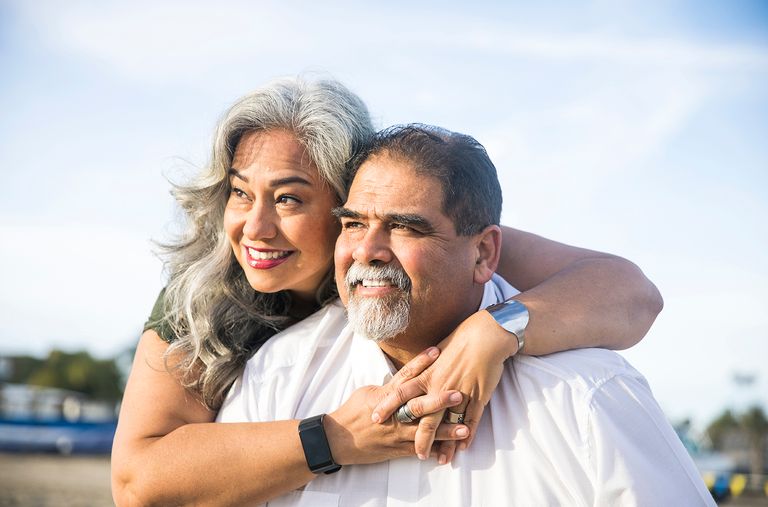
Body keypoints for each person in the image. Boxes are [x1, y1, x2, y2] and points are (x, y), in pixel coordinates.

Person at [111, 78, 663, 506]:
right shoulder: (208, 295)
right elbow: (138, 482)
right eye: (239, 193)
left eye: (288, 199)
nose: (254, 229)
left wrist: (493, 330)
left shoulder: (437, 237)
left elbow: (630, 291)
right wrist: (335, 438)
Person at [219, 124, 713, 506]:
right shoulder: (278, 375)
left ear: (483, 254)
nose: (367, 250)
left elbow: (639, 294)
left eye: (404, 228)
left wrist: (497, 330)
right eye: (352, 224)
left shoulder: (584, 395)